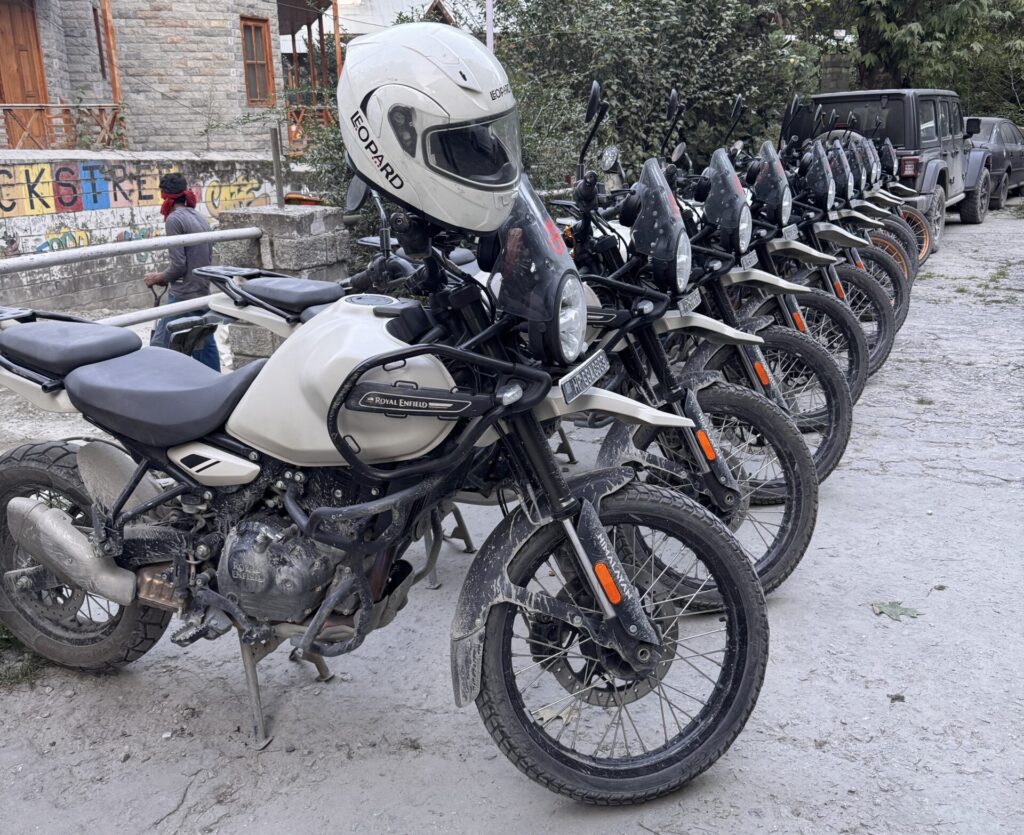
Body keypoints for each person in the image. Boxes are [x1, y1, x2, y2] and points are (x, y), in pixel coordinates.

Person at [144, 173, 220, 371]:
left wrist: (159, 277)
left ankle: (155, 384)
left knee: (160, 342)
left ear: (163, 194)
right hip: (201, 287)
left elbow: (178, 266)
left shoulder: (174, 220)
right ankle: (217, 380)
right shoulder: (197, 216)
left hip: (183, 293)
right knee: (203, 341)